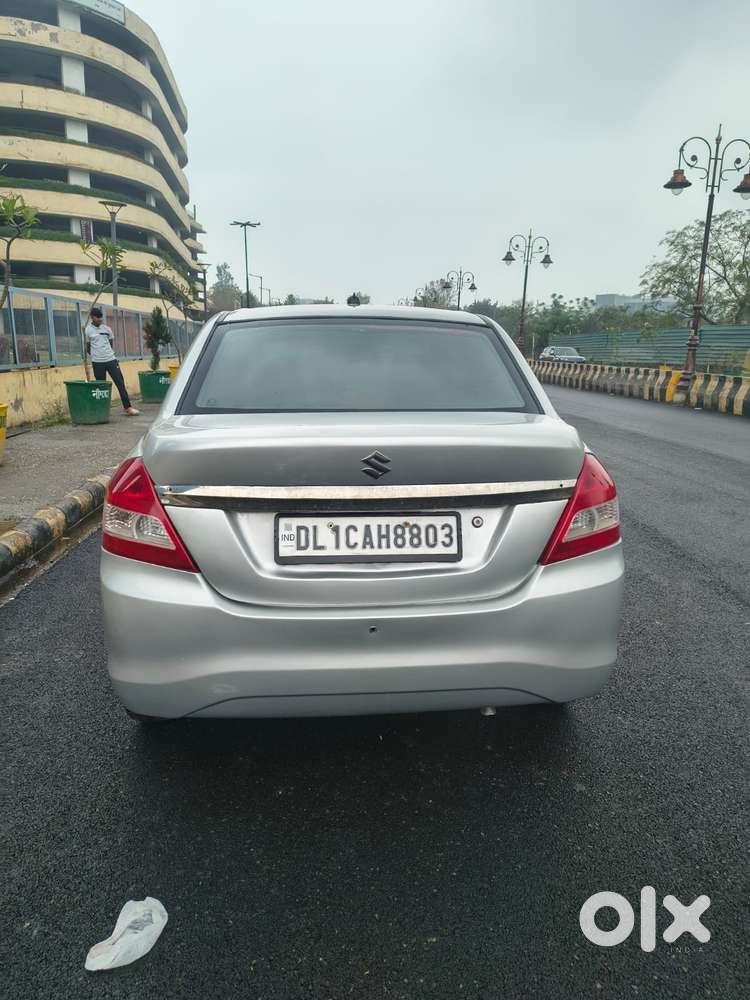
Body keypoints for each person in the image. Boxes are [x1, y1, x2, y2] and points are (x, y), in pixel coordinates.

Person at [86, 307, 140, 415]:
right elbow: (88, 347)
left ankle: (128, 407)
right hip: (97, 362)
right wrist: (97, 355)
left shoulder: (107, 329)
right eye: (97, 317)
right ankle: (102, 410)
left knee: (120, 383)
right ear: (92, 317)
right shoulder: (87, 330)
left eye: (101, 317)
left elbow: (110, 344)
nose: (100, 319)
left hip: (111, 360)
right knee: (101, 386)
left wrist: (106, 354)